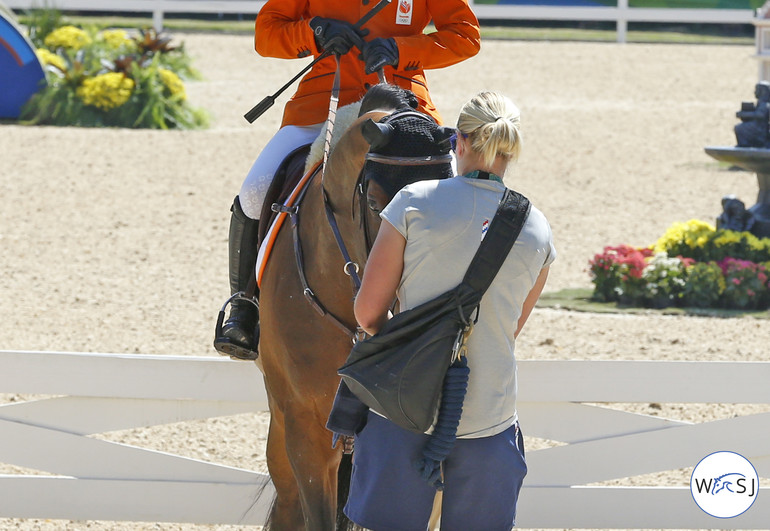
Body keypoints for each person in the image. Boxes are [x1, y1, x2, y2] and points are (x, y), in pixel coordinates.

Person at [214, 0, 481, 357]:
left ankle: (467, 308)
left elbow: (465, 36)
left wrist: (401, 49)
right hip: (322, 99)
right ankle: (246, 305)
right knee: (254, 191)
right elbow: (267, 34)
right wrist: (314, 33)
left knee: (455, 191)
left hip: (399, 99)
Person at [346, 91, 556, 530]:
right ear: (510, 148)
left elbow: (367, 315)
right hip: (489, 415)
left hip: (403, 406)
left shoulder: (414, 201)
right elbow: (508, 328)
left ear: (458, 143)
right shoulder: (538, 228)